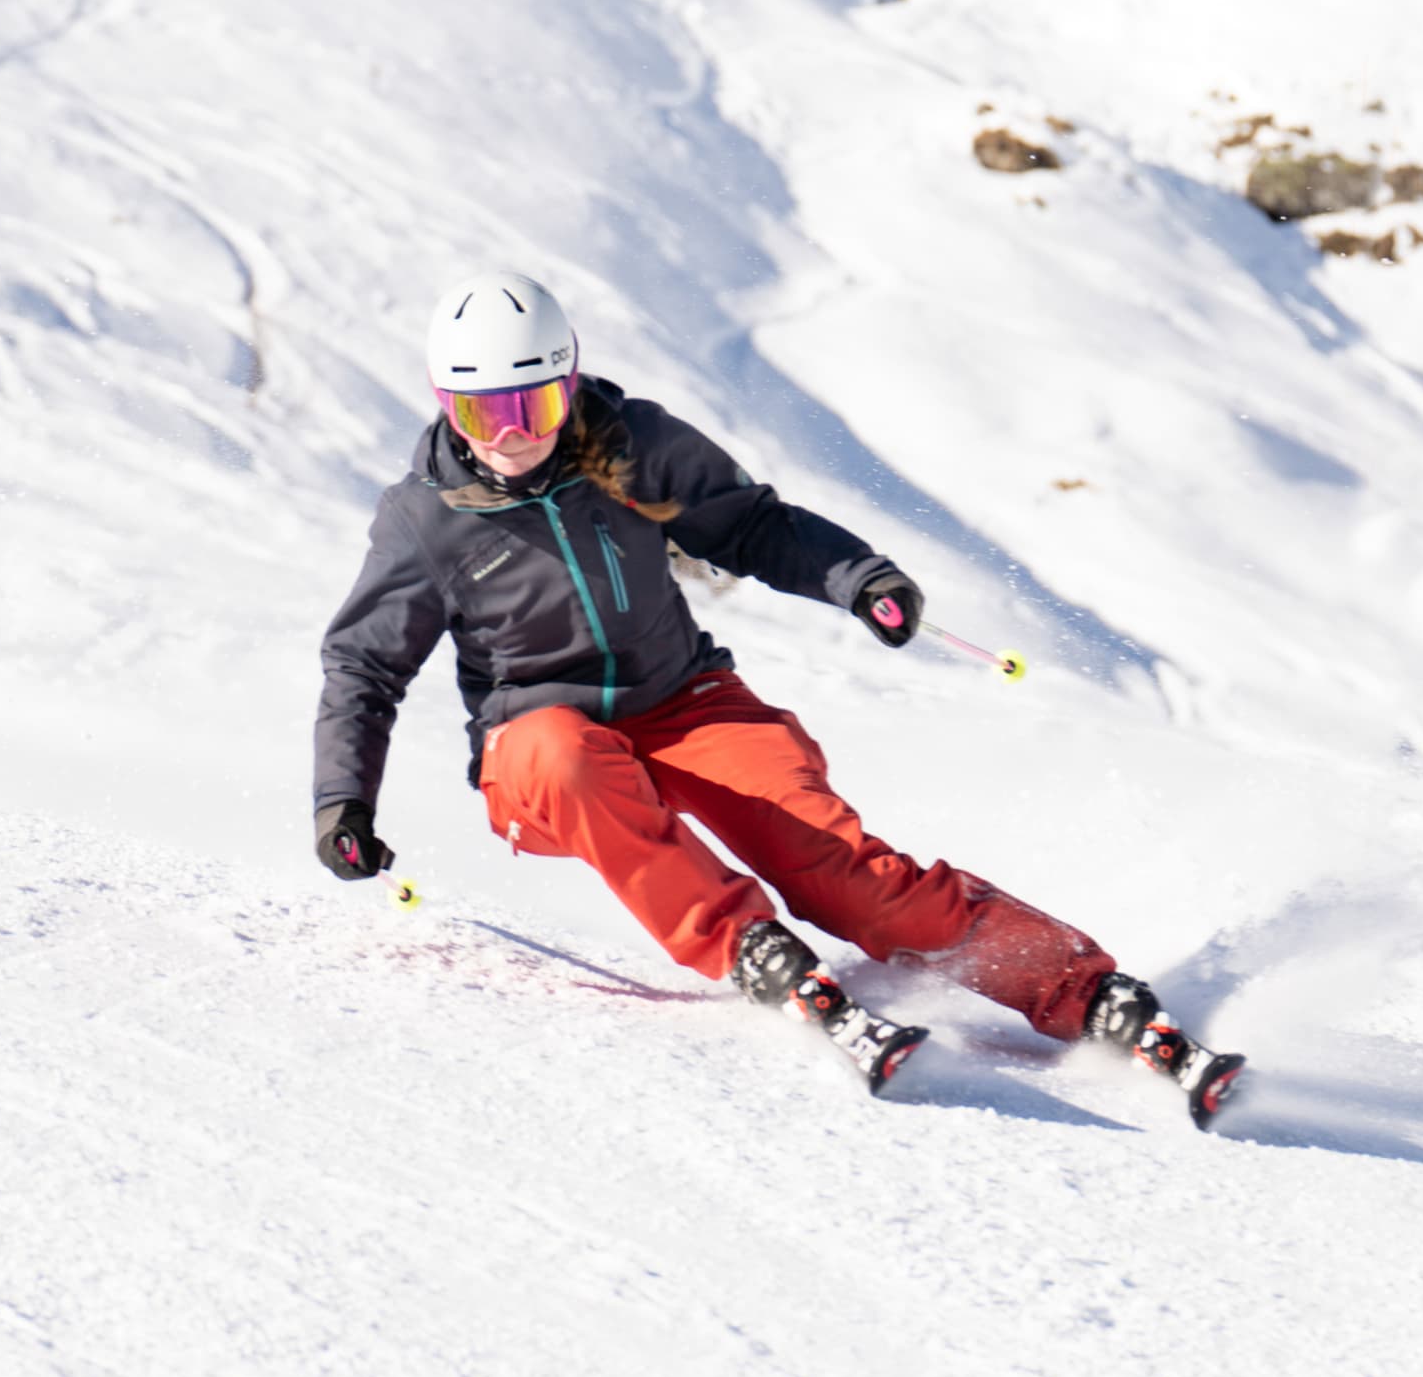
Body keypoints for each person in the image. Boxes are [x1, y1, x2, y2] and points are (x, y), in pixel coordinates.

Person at [313, 270, 1235, 1110]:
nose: (514, 436)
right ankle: (744, 944)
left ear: (570, 382)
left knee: (846, 874)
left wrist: (858, 578)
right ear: (446, 407)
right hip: (538, 751)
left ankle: (1082, 990)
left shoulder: (631, 446)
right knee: (565, 752)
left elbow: (750, 525)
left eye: (536, 403)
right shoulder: (422, 520)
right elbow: (365, 664)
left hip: (683, 701)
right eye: (484, 415)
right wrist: (343, 802)